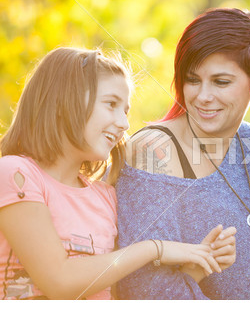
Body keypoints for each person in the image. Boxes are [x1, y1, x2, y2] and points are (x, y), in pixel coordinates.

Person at [0, 47, 234, 300]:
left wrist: (195, 266)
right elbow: (60, 281)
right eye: (111, 104)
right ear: (62, 102)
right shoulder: (17, 174)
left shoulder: (105, 196)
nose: (124, 124)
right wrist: (154, 249)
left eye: (125, 111)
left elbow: (119, 291)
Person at [116, 8, 250, 299]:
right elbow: (145, 291)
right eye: (192, 80)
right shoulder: (153, 150)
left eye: (221, 82)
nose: (203, 96)